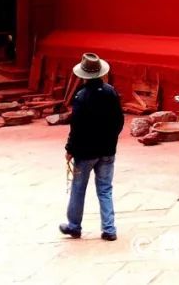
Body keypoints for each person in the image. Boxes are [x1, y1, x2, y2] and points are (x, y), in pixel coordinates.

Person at [59, 52, 124, 241]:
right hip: (107, 150)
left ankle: (74, 226)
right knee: (105, 189)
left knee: (78, 188)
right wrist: (111, 139)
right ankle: (109, 229)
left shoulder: (81, 96)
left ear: (84, 75)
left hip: (85, 152)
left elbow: (76, 126)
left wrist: (70, 149)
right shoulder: (111, 92)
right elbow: (119, 121)